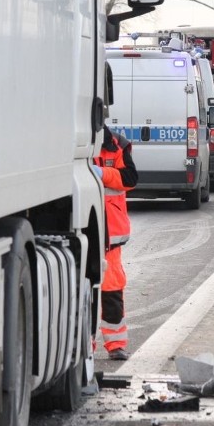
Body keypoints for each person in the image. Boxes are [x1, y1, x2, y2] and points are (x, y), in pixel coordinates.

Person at [92, 125, 138, 360]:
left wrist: (103, 173)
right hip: (86, 225)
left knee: (111, 288)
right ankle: (85, 347)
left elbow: (130, 179)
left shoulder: (117, 145)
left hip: (110, 232)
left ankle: (115, 344)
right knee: (86, 292)